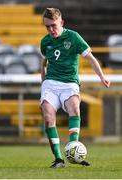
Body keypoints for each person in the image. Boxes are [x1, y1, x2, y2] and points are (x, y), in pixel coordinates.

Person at [40, 7, 110, 168]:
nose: (51, 29)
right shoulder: (45, 41)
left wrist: (102, 76)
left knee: (75, 108)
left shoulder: (74, 37)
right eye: (47, 26)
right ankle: (58, 159)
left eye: (54, 25)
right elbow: (43, 64)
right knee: (48, 117)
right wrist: (43, 83)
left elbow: (91, 58)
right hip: (50, 84)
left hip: (70, 83)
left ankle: (74, 148)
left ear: (61, 22)